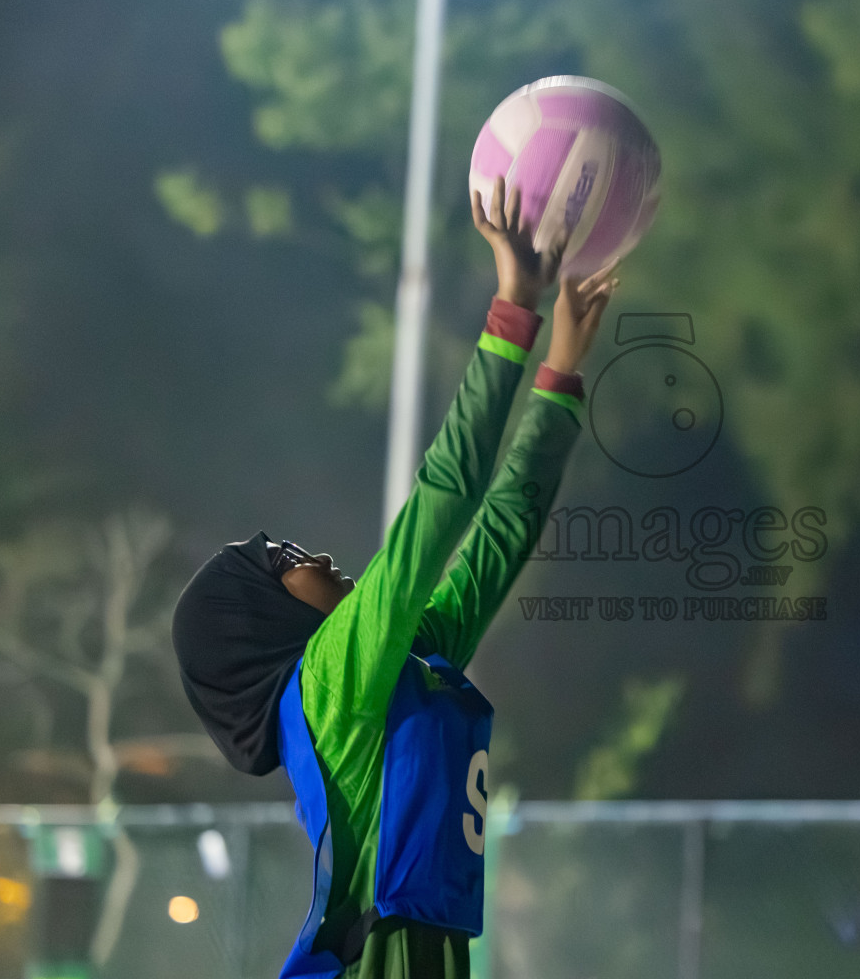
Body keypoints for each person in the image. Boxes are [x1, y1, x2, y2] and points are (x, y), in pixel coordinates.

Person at [171, 178, 617, 979]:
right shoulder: (330, 681)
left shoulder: (397, 668)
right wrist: (513, 310)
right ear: (262, 621)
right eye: (287, 564)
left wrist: (559, 375)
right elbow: (443, 504)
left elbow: (501, 535)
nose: (317, 560)